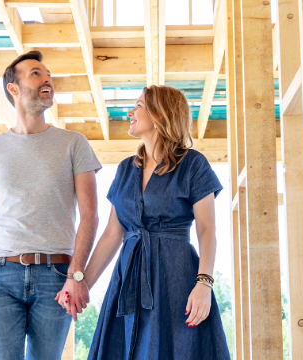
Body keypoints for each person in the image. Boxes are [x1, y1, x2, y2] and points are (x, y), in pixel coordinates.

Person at [71, 85, 230, 359]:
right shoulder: (124, 169)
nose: (130, 112)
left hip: (176, 278)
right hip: (128, 279)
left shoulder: (193, 164)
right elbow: (112, 234)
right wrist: (83, 283)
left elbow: (207, 229)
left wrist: (204, 283)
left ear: (160, 114)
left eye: (138, 106)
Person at [0, 50, 101, 360]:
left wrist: (76, 275)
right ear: (13, 88)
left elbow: (90, 216)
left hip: (57, 275)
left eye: (48, 74)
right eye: (36, 73)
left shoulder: (74, 143)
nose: (47, 78)